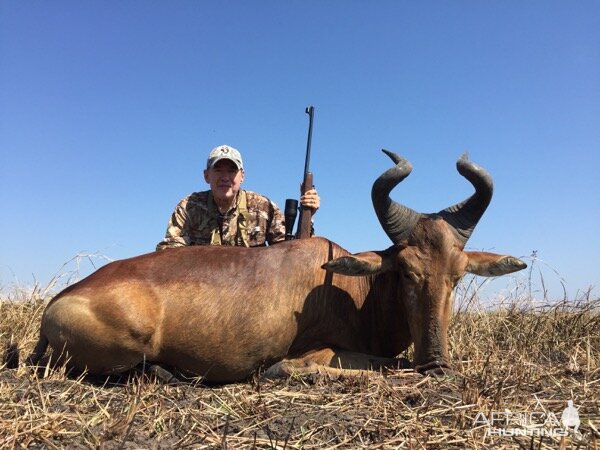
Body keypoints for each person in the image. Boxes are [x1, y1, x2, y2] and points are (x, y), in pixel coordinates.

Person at [156, 144, 320, 250]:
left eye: (232, 170)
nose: (225, 177)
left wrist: (308, 216)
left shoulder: (264, 207)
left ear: (242, 176)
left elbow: (290, 252)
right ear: (206, 176)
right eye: (218, 170)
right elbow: (169, 253)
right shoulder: (189, 207)